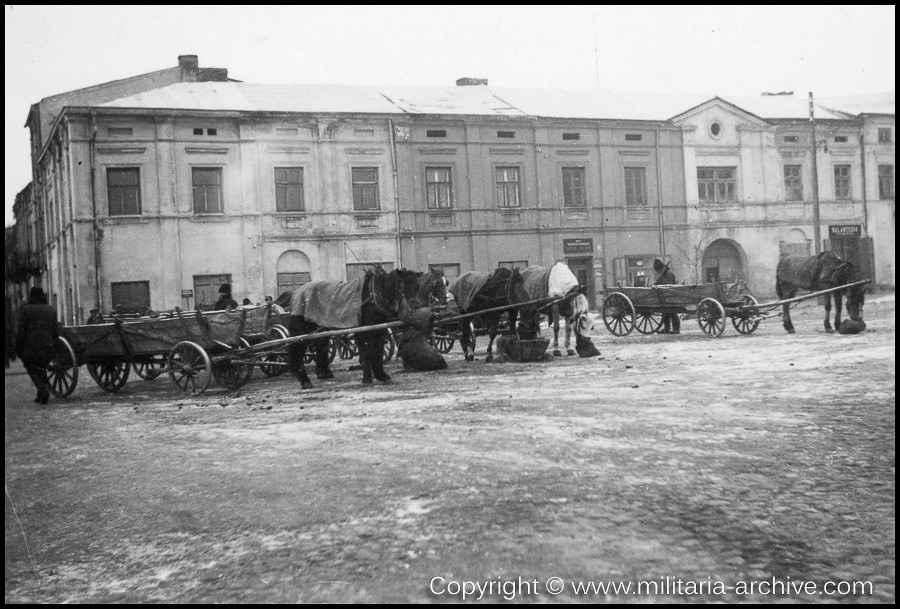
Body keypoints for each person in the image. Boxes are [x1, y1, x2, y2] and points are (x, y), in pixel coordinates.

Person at [15, 287, 62, 404]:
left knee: (31, 367)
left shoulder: (26, 310)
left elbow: (21, 331)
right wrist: (55, 347)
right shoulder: (51, 309)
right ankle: (40, 393)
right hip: (48, 347)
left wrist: (18, 347)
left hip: (31, 348)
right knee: (41, 369)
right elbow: (56, 331)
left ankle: (42, 390)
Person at [653, 259, 681, 334]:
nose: (656, 272)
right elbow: (658, 283)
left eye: (657, 270)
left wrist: (661, 278)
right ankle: (667, 328)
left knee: (672, 312)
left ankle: (676, 328)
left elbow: (669, 284)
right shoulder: (663, 274)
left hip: (671, 296)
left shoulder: (668, 273)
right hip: (665, 297)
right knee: (665, 312)